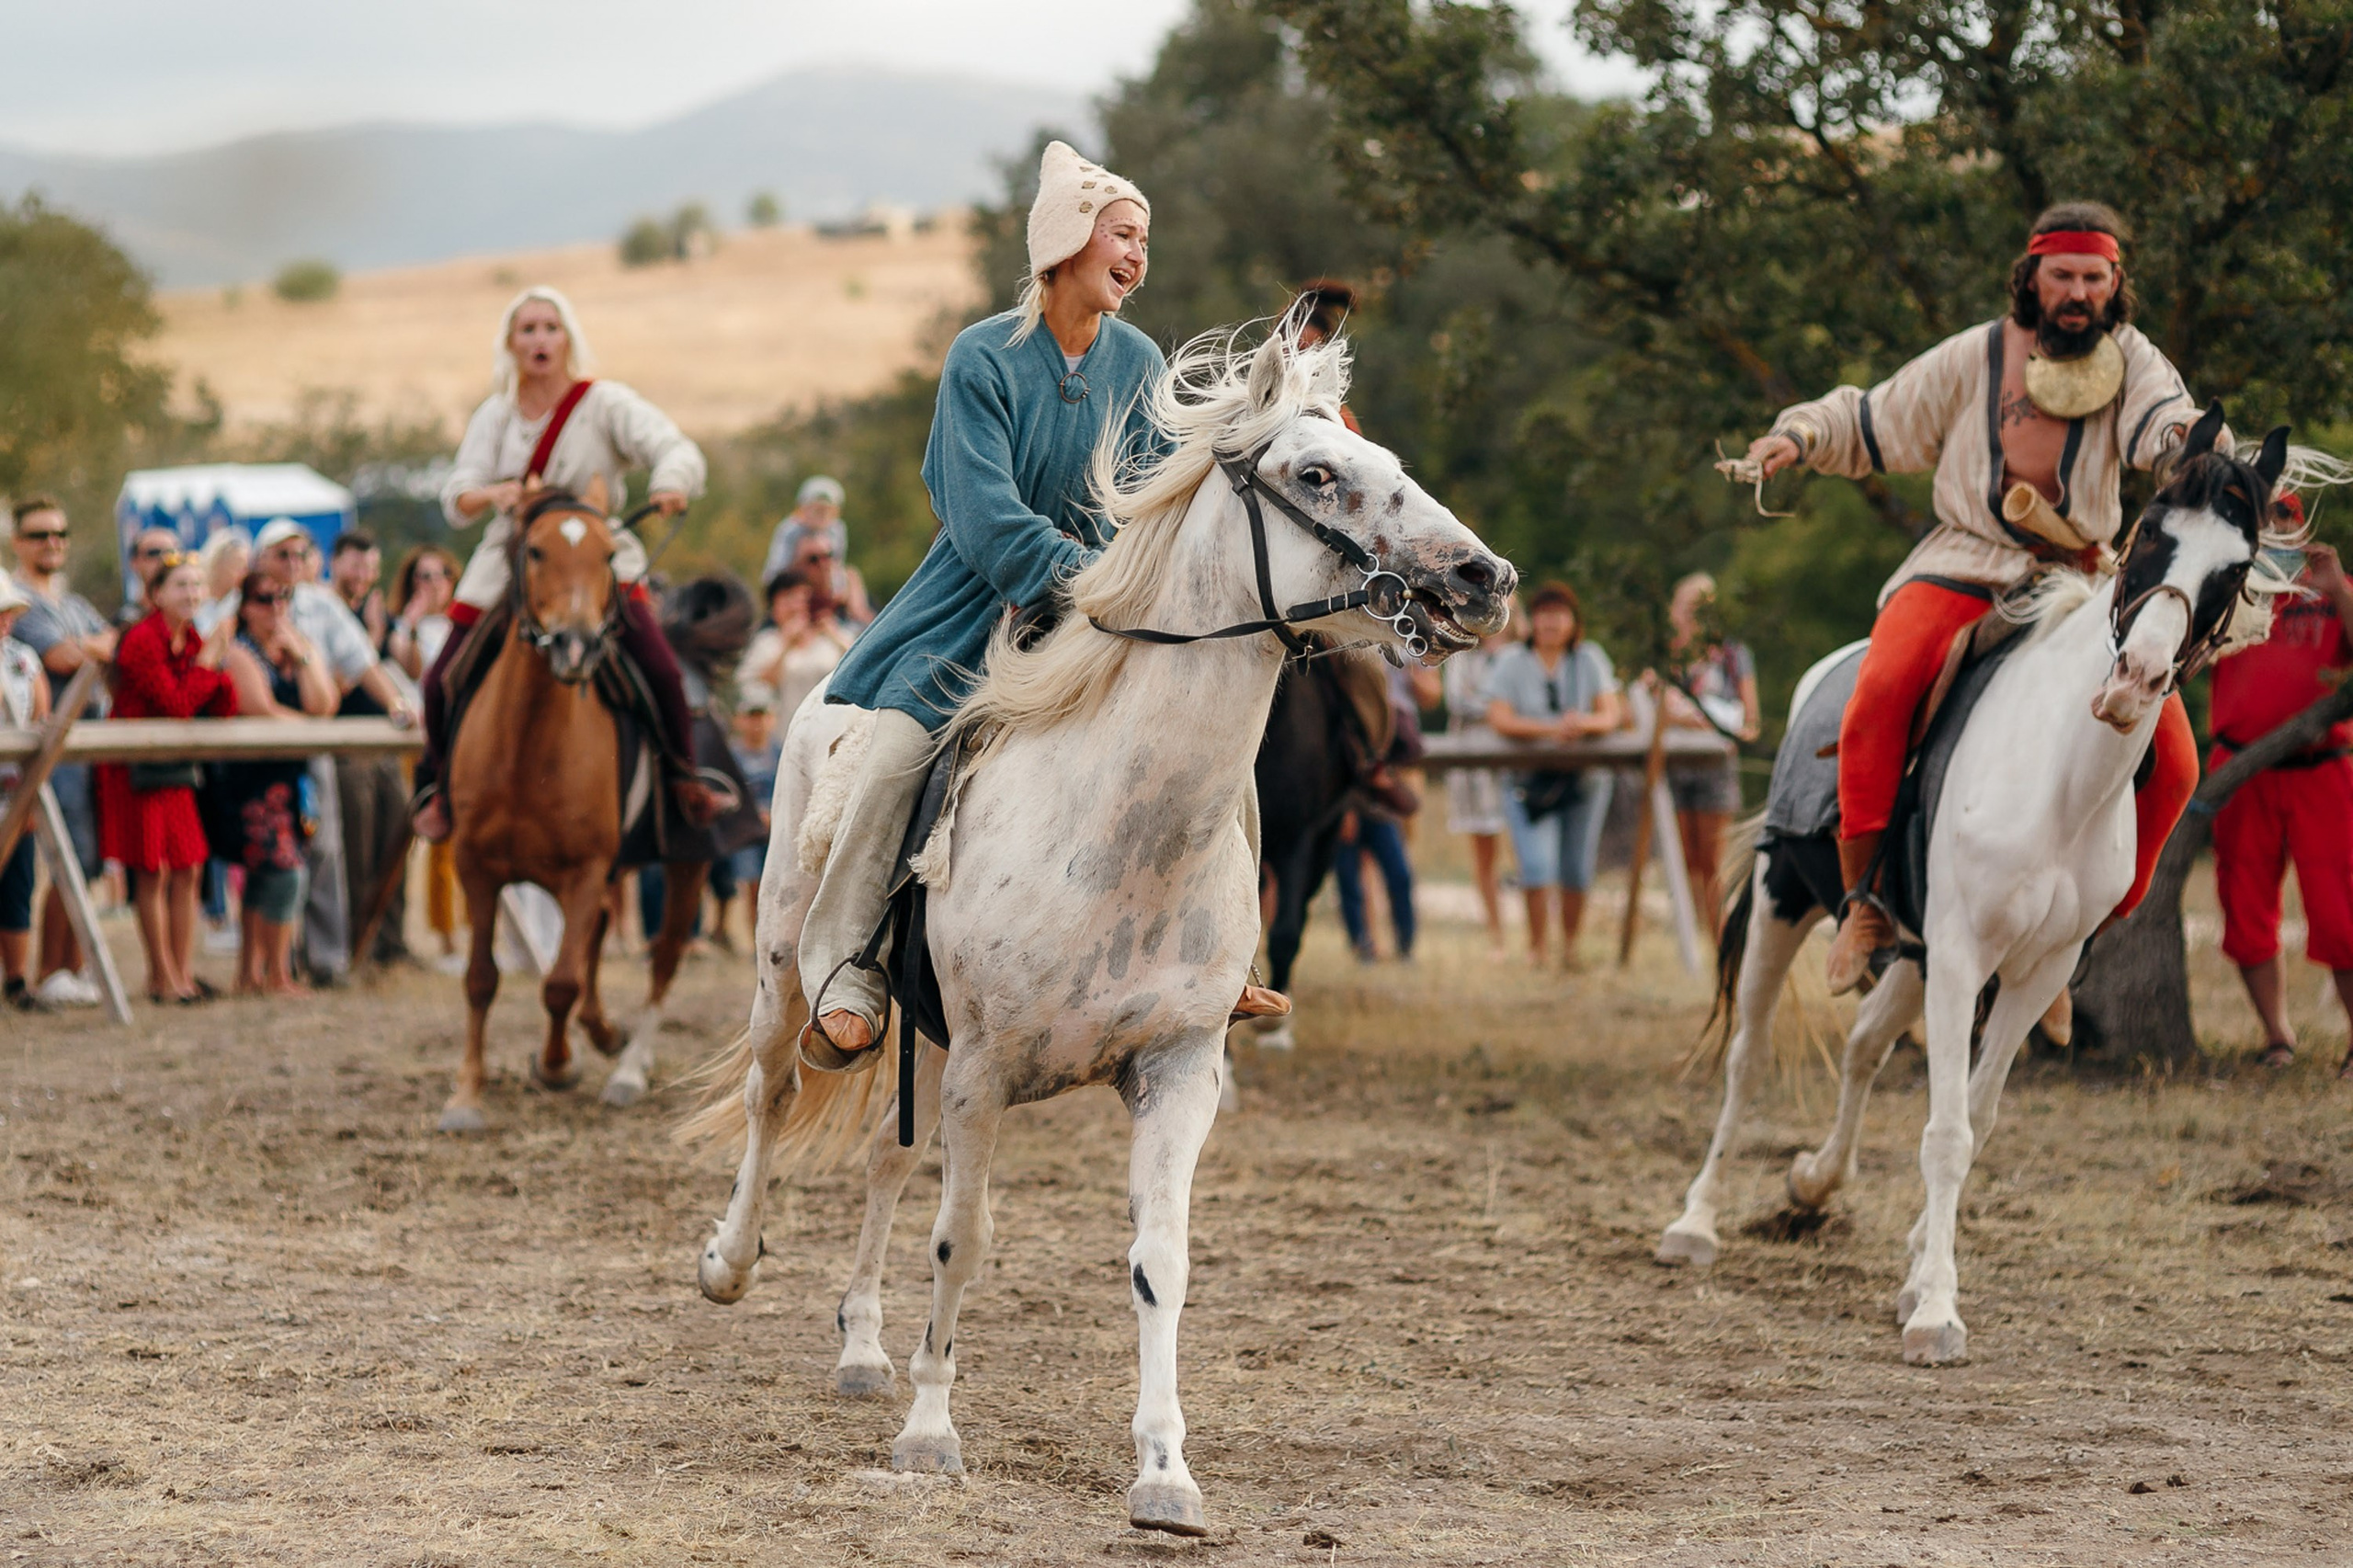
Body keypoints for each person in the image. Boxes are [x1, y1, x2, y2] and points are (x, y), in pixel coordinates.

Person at [800, 140, 1285, 1065]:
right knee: (899, 751)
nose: (1137, 255)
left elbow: (1147, 494)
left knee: (1227, 753)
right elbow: (980, 512)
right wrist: (1082, 578)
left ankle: (1227, 956)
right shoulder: (981, 357)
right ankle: (848, 965)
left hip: (1106, 612)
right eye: (1122, 233)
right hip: (974, 606)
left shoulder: (1139, 358)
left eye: (1144, 239)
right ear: (1064, 241)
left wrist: (1129, 585)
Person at [1745, 202, 2204, 998]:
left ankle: (2084, 929)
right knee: (1879, 695)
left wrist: (2198, 449)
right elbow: (1875, 415)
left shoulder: (2133, 358)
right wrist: (1803, 435)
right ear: (2032, 275)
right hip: (1966, 562)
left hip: (2086, 582)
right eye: (2063, 274)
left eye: (2095, 277)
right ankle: (1865, 904)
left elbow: (2166, 424)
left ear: (2114, 285)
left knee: (2176, 766)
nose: (2078, 291)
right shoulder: (1978, 353)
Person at [413, 284, 713, 842]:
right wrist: (494, 495)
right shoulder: (495, 415)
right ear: (511, 343)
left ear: (567, 337)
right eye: (528, 329)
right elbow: (457, 495)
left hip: (595, 556)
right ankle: (439, 788)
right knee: (440, 679)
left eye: (550, 327)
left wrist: (671, 482)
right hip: (513, 557)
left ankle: (682, 781)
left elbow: (674, 447)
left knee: (663, 670)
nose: (540, 339)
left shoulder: (605, 403)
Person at [2205, 507, 2353, 1075]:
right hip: (2241, 770)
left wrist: (2337, 590)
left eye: (2284, 521)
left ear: (2303, 527)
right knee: (2244, 909)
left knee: (2340, 913)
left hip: (2323, 769)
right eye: (2263, 524)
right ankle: (2277, 1037)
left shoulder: (2329, 591)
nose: (2275, 534)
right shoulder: (2229, 592)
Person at [250, 518, 415, 980]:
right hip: (257, 751)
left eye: (299, 555)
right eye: (281, 555)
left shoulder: (321, 606)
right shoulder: (240, 605)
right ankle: (268, 965)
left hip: (314, 745)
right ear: (261, 560)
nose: (291, 565)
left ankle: (327, 958)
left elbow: (364, 663)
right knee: (264, 854)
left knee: (325, 849)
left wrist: (398, 705)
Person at [98, 552, 236, 1004]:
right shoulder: (142, 639)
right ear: (156, 595)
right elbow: (176, 704)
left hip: (174, 769)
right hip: (136, 768)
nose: (192, 594)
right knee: (152, 871)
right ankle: (162, 977)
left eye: (197, 585)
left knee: (190, 867)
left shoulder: (194, 639)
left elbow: (222, 705)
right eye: (181, 585)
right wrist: (208, 664)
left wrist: (214, 664)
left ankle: (183, 973)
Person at [6, 495, 113, 1006]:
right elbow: (66, 657)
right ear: (17, 542)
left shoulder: (70, 603)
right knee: (60, 852)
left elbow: (117, 643)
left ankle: (70, 967)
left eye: (59, 534)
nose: (52, 543)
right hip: (47, 746)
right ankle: (48, 970)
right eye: (40, 534)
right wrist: (93, 645)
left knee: (87, 855)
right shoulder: (17, 599)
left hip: (88, 740)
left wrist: (94, 645)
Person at [1486, 581, 1623, 969]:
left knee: (1577, 867)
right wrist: (1550, 730)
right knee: (1535, 865)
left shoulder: (1589, 658)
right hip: (1529, 782)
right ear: (1532, 620)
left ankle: (1570, 948)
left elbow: (1610, 714)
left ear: (1573, 621)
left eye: (1559, 615)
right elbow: (1499, 717)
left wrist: (1582, 725)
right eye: (1544, 615)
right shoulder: (1512, 661)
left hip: (1584, 781)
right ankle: (1537, 949)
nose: (1551, 623)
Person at [214, 571, 337, 994]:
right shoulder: (239, 651)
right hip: (251, 781)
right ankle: (276, 974)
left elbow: (324, 703)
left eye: (284, 596)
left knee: (267, 875)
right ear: (246, 607)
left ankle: (253, 975)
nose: (276, 607)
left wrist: (301, 655)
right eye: (265, 599)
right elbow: (258, 708)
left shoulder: (295, 645)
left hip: (291, 780)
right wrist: (311, 729)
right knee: (284, 874)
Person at [327, 530, 410, 964]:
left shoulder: (381, 614)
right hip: (344, 743)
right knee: (357, 847)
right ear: (336, 563)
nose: (363, 575)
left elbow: (404, 664)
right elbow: (337, 684)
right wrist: (370, 639)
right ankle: (358, 941)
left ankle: (393, 942)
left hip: (385, 742)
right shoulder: (325, 612)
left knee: (398, 834)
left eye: (370, 567)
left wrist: (389, 630)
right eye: (355, 565)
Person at [1659, 572, 1761, 924]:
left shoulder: (1732, 654)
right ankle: (1692, 932)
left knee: (1713, 860)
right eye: (1685, 607)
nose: (1690, 615)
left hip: (1716, 767)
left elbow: (1752, 724)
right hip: (1671, 764)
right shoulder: (1663, 656)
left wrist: (1722, 726)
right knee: (1683, 858)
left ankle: (1718, 934)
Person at [1443, 604, 1518, 956]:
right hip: (1473, 762)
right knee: (1485, 851)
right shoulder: (1462, 651)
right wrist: (1501, 709)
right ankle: (1496, 933)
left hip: (1516, 757)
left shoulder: (1521, 656)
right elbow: (1457, 700)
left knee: (1522, 847)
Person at [1, 575, 51, 1008]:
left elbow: (43, 717)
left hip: (16, 789)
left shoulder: (23, 658)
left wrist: (33, 792)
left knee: (18, 883)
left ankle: (17, 979)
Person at [739, 566, 854, 725]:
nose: (795, 606)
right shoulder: (766, 643)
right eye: (787, 599)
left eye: (802, 599)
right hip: (783, 735)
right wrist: (786, 646)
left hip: (832, 728)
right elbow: (760, 689)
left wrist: (834, 635)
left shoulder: (833, 637)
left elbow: (859, 666)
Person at [760, 476, 873, 627]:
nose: (822, 516)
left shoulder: (837, 530)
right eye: (817, 509)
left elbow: (838, 566)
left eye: (828, 510)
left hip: (826, 594)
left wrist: (837, 592)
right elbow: (772, 574)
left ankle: (861, 621)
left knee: (853, 576)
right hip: (794, 587)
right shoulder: (789, 530)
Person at [387, 545, 460, 680]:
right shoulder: (401, 627)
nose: (436, 583)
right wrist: (413, 630)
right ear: (412, 582)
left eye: (445, 573)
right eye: (427, 576)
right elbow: (413, 673)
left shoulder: (461, 622)